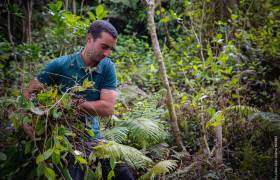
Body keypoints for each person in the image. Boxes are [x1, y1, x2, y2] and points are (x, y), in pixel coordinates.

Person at [22, 20, 134, 180]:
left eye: (110, 49)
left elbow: (107, 108)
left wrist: (70, 103)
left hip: (93, 137)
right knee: (74, 172)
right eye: (104, 47)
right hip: (63, 138)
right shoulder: (61, 65)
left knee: (123, 174)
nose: (107, 53)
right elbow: (28, 91)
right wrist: (27, 121)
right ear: (89, 39)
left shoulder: (108, 67)